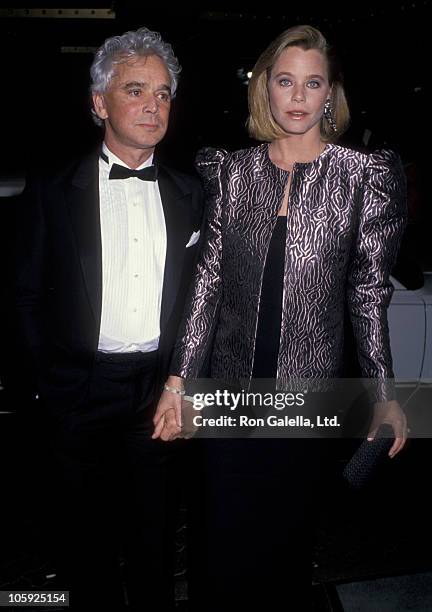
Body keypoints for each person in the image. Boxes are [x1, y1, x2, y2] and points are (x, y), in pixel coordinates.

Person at [153, 24, 408, 610]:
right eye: (285, 81)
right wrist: (178, 381)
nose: (297, 96)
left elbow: (368, 294)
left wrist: (385, 392)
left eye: (312, 83)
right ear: (265, 90)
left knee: (285, 544)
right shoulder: (230, 171)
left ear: (330, 95)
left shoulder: (362, 178)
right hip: (227, 391)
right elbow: (208, 285)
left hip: (308, 394)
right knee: (220, 542)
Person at [15, 27, 203, 612]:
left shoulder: (192, 193)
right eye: (136, 89)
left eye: (165, 93)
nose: (154, 104)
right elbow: (23, 297)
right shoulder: (52, 191)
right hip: (79, 391)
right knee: (85, 545)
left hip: (158, 393)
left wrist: (185, 384)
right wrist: (51, 387)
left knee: (154, 543)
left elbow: (204, 301)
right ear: (99, 103)